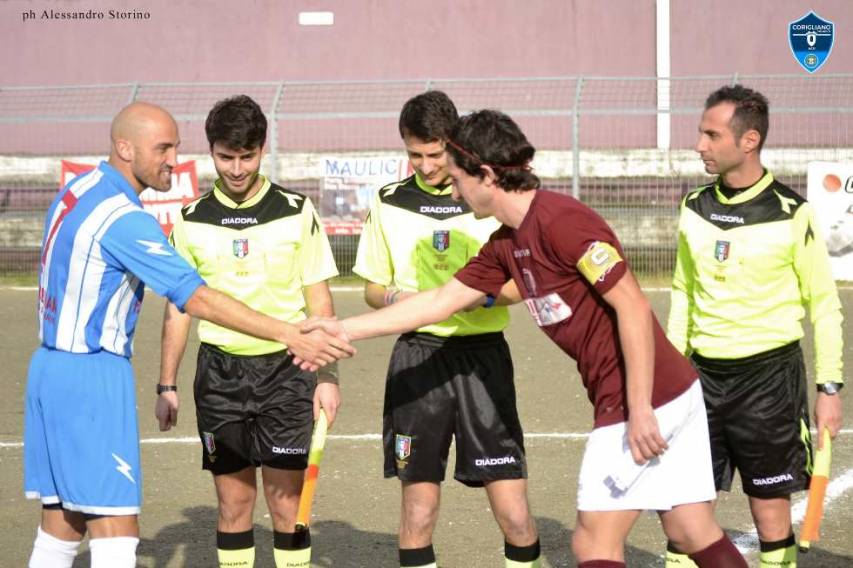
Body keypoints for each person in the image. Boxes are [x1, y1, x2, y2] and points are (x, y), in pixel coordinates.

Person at [299, 109, 749, 568]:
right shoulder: (505, 243)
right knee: (690, 528)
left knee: (593, 545)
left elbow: (632, 305)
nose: (452, 190)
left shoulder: (562, 221)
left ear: (487, 175)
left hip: (643, 394)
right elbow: (441, 300)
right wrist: (342, 328)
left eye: (456, 178)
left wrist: (638, 408)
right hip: (670, 390)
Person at [22, 102, 351, 568]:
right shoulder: (128, 218)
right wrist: (288, 333)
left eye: (177, 146)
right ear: (124, 146)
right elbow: (193, 300)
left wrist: (321, 369)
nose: (175, 159)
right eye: (164, 148)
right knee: (117, 530)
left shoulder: (79, 191)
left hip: (51, 368)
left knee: (61, 523)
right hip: (94, 376)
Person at [352, 90, 540, 568]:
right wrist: (401, 300)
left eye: (434, 154)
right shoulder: (388, 202)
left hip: (482, 360)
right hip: (417, 359)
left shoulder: (487, 198)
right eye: (413, 153)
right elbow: (374, 289)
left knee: (513, 510)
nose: (424, 164)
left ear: (453, 146)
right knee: (419, 509)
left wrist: (482, 296)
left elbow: (525, 283)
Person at [156, 94, 341, 568]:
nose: (236, 169)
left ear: (263, 150)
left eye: (247, 156)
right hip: (219, 375)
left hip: (288, 369)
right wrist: (167, 384)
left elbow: (318, 300)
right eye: (225, 157)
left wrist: (327, 378)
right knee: (234, 506)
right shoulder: (191, 219)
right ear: (211, 152)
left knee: (286, 507)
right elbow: (180, 308)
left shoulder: (297, 210)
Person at [666, 85, 844, 568]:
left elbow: (824, 305)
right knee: (683, 515)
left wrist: (829, 388)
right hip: (700, 379)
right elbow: (683, 292)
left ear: (749, 141)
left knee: (770, 515)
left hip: (769, 383)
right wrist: (668, 372)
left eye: (711, 134)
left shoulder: (792, 213)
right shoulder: (694, 206)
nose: (700, 144)